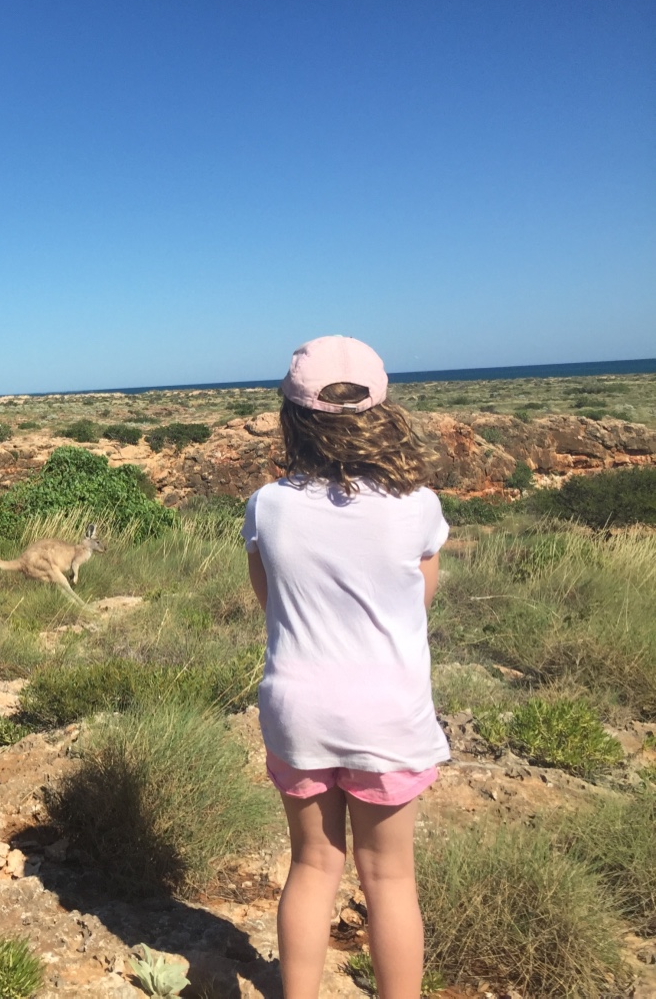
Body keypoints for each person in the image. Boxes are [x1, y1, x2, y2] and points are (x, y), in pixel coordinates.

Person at [241, 335, 450, 999]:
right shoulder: (416, 504)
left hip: (299, 709)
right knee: (389, 879)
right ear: (382, 411)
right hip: (388, 714)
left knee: (312, 865)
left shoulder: (268, 507)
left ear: (293, 415)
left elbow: (266, 599)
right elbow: (421, 596)